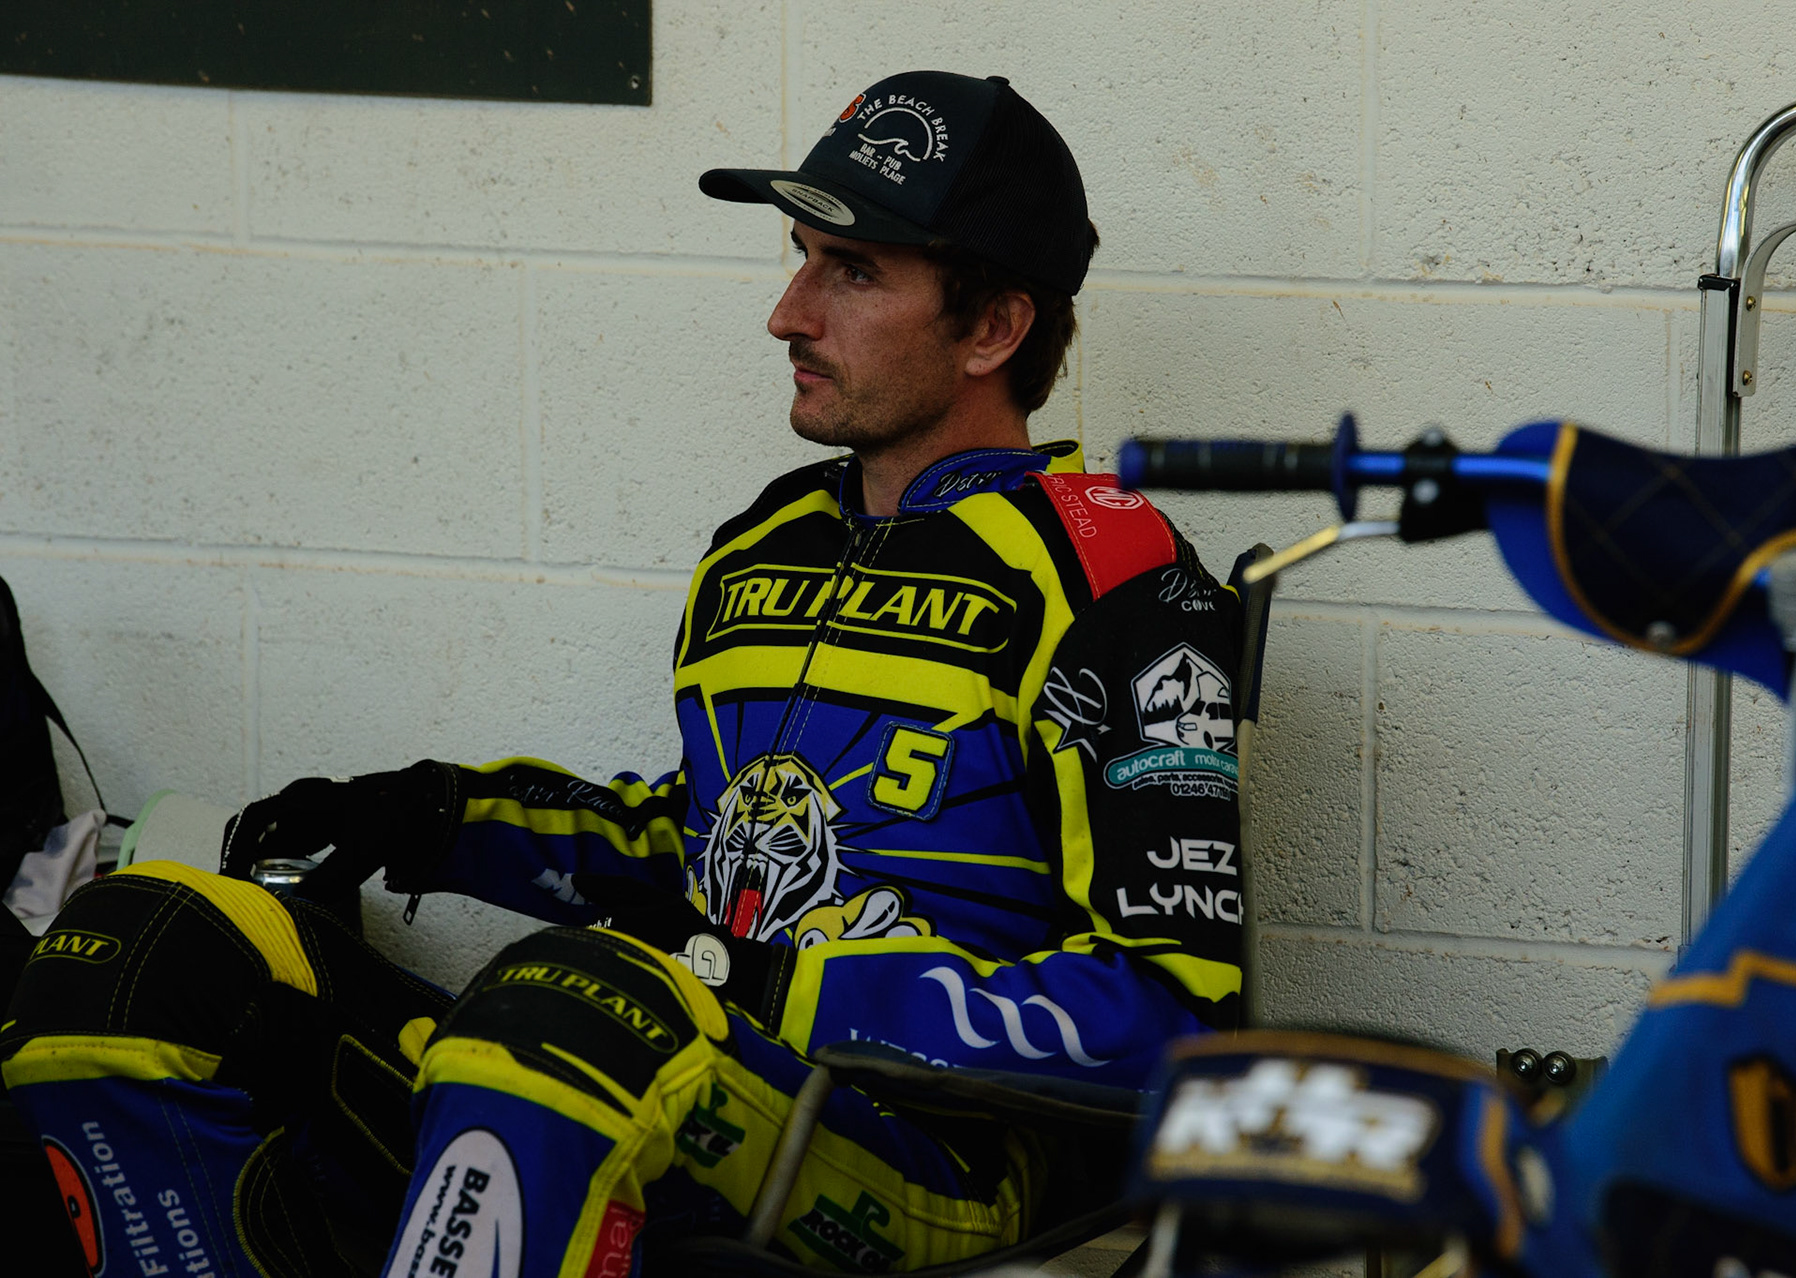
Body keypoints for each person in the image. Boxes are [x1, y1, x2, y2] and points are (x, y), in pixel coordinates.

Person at [2, 70, 1245, 1277]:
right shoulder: (764, 548)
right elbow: (708, 844)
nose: (789, 313)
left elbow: (1174, 1023)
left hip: (938, 1162)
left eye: (852, 271)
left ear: (993, 327)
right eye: (800, 257)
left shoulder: (1118, 577)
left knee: (572, 1013)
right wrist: (436, 816)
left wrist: (772, 986)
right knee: (133, 949)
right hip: (671, 1076)